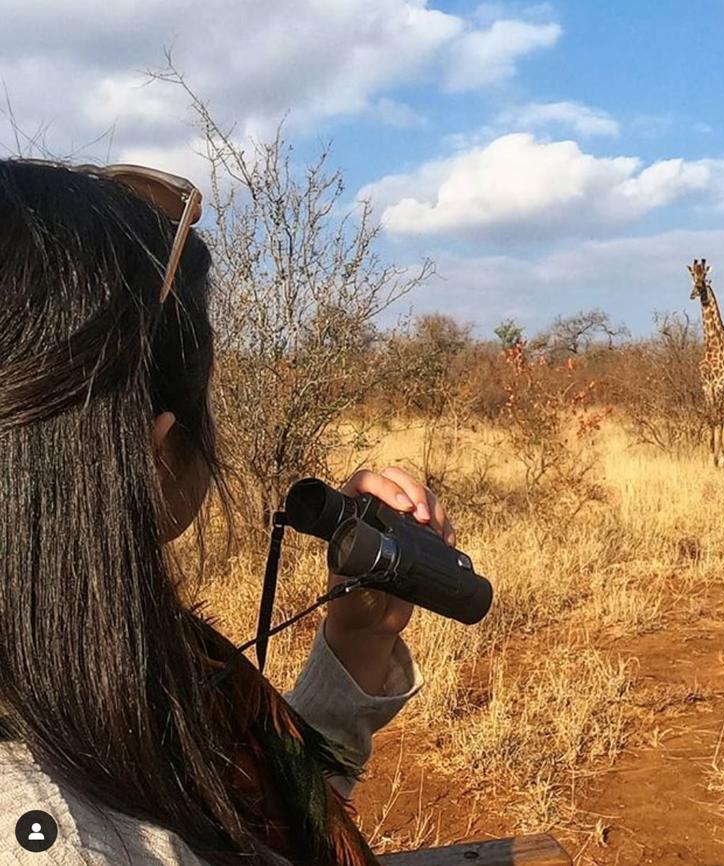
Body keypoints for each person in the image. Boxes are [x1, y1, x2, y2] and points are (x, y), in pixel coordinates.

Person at [0, 159, 455, 865]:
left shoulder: (80, 670)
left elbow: (246, 819)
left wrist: (358, 640)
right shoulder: (56, 833)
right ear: (148, 458)